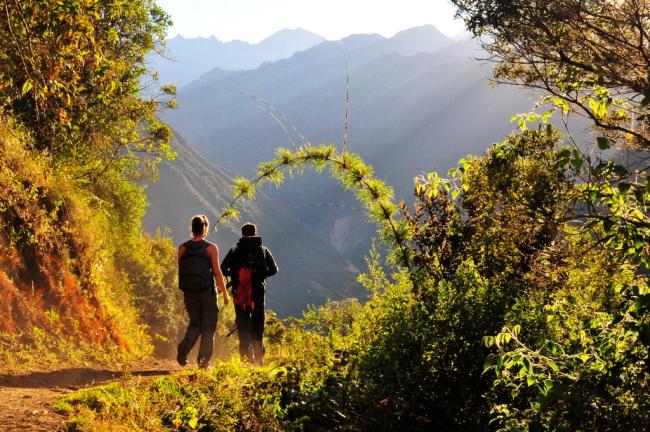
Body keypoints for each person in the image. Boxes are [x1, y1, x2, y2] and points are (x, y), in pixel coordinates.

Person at [221, 223, 277, 366]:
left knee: (243, 324)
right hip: (258, 292)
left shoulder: (234, 250)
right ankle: (259, 359)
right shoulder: (263, 250)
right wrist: (259, 276)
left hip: (239, 293)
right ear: (255, 232)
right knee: (258, 325)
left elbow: (222, 268)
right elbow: (274, 269)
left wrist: (235, 276)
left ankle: (246, 361)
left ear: (242, 234)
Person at [177, 215, 229, 369]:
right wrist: (225, 293)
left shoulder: (182, 247)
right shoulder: (211, 248)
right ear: (205, 228)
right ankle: (203, 362)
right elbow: (217, 273)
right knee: (208, 328)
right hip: (207, 293)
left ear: (192, 228)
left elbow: (182, 269)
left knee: (195, 324)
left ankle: (183, 349)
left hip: (189, 292)